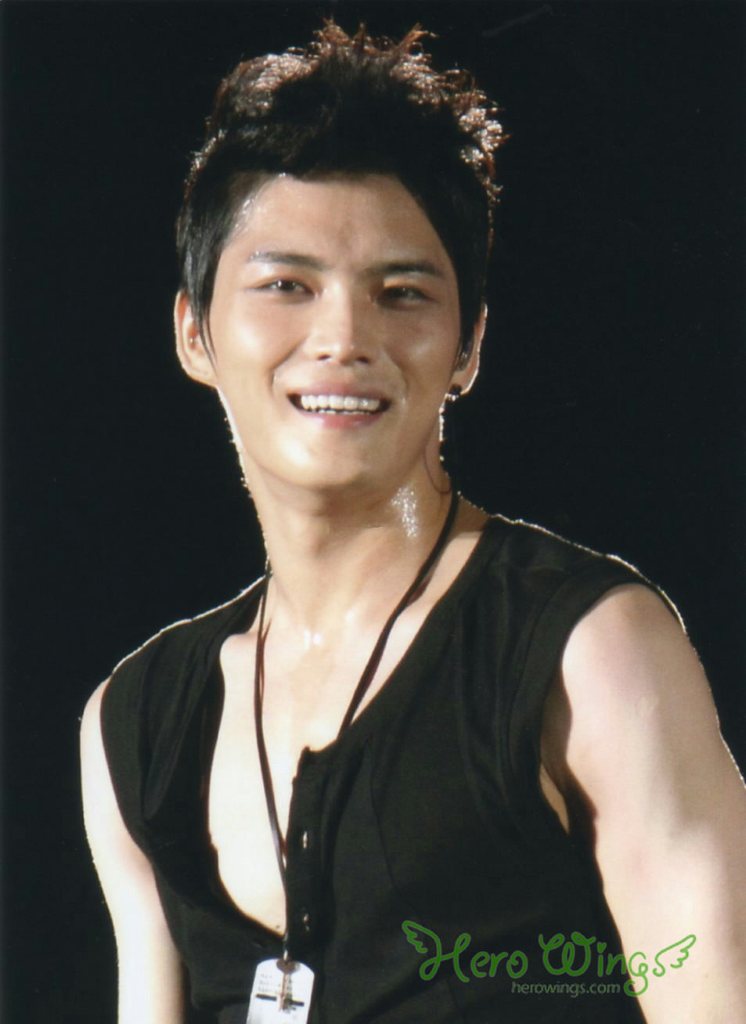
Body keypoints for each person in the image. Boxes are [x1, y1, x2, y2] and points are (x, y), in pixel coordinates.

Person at [80, 22, 746, 1024]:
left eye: (401, 294)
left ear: (467, 345)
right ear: (194, 331)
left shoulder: (590, 652)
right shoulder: (132, 725)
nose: (344, 337)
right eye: (286, 286)